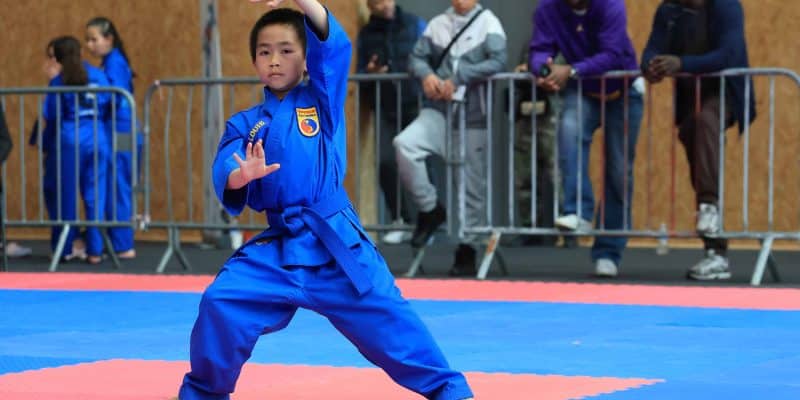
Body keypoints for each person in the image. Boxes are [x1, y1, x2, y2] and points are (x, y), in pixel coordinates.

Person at [175, 1, 474, 399]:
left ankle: (449, 391)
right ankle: (204, 393)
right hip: (279, 249)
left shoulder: (322, 100)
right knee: (221, 301)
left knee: (395, 326)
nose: (275, 60)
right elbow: (225, 165)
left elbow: (331, 46)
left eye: (286, 50)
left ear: (306, 60)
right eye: (264, 52)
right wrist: (240, 175)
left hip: (336, 244)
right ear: (254, 61)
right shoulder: (245, 124)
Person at [641, 0, 755, 280]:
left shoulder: (726, 6)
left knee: (705, 122)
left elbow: (728, 54)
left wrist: (681, 63)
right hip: (690, 99)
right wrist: (650, 66)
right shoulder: (669, 10)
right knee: (697, 143)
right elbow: (652, 49)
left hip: (725, 92)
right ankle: (715, 251)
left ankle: (708, 206)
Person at [529, 0, 644, 277]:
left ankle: (608, 251)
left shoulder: (611, 5)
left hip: (623, 89)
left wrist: (570, 70)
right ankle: (578, 211)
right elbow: (539, 49)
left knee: (619, 172)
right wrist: (542, 71)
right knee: (569, 129)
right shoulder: (548, 8)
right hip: (584, 90)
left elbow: (612, 55)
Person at [393, 0, 507, 276]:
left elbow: (499, 61)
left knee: (471, 188)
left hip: (473, 116)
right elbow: (416, 58)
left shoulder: (489, 23)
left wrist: (459, 78)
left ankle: (468, 249)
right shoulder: (438, 24)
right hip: (439, 111)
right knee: (405, 144)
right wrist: (427, 76)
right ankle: (430, 208)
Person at [357, 0, 426, 244]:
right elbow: (360, 72)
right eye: (375, 2)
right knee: (386, 161)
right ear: (369, 6)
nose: (382, 4)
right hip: (385, 104)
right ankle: (401, 218)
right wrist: (371, 73)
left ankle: (426, 220)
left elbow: (430, 59)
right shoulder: (367, 33)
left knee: (419, 162)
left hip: (414, 101)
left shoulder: (414, 24)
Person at [41, 36, 111, 264]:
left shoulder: (59, 81)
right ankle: (95, 251)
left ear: (58, 59)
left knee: (66, 196)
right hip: (97, 137)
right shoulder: (98, 76)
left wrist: (46, 144)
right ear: (81, 52)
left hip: (70, 139)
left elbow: (51, 115)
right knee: (95, 195)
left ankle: (64, 249)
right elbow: (111, 103)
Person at [86, 16, 140, 260]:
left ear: (108, 39)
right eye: (87, 40)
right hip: (117, 127)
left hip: (122, 129)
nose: (90, 45)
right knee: (116, 183)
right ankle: (118, 241)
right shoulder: (111, 61)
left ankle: (123, 244)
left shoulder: (115, 62)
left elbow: (115, 95)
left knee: (119, 184)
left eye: (94, 39)